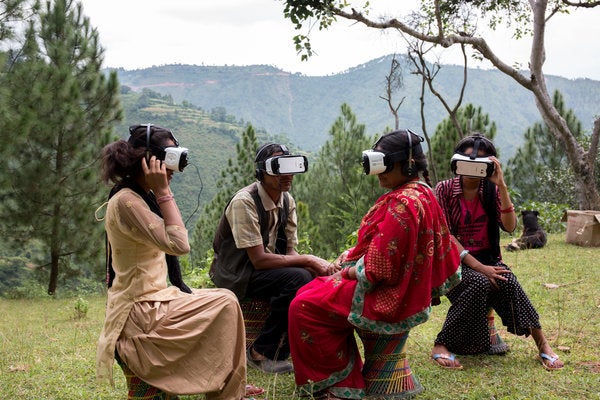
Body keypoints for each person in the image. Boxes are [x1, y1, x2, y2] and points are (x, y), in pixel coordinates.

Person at [287, 129, 462, 399]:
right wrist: (352, 257)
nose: (379, 172)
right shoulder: (423, 193)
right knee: (309, 291)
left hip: (388, 295)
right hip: (407, 291)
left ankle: (337, 384)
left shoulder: (402, 204)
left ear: (407, 165)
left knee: (304, 305)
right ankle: (348, 374)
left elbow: (377, 269)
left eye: (385, 164)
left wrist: (347, 269)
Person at [95, 124, 263, 400]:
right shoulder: (127, 201)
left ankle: (229, 389)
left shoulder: (138, 195)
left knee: (226, 302)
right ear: (149, 160)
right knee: (225, 303)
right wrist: (164, 191)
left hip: (158, 298)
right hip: (140, 311)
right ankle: (229, 393)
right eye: (168, 159)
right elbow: (179, 244)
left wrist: (159, 191)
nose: (172, 169)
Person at [430, 132, 564, 371]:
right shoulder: (444, 190)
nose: (472, 169)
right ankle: (442, 344)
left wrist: (501, 185)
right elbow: (446, 237)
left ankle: (543, 345)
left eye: (480, 164)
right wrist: (480, 268)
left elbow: (510, 227)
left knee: (508, 281)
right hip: (453, 263)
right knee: (479, 282)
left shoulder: (491, 190)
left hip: (489, 259)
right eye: (466, 162)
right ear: (456, 163)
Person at [210, 142, 335, 374]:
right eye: (278, 168)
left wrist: (312, 266)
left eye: (290, 167)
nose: (287, 175)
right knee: (298, 277)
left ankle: (292, 347)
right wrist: (309, 259)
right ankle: (261, 352)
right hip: (237, 274)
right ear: (262, 172)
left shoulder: (287, 201)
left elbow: (289, 252)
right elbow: (258, 259)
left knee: (308, 276)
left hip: (264, 271)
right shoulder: (244, 202)